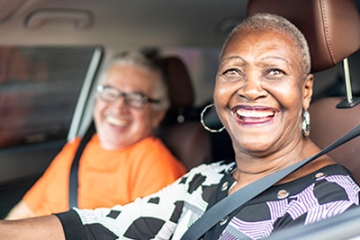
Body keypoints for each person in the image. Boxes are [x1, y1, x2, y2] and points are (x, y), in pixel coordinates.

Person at [0, 13, 359, 240]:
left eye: (274, 71)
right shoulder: (203, 181)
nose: (249, 89)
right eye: (233, 71)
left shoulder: (332, 205)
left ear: (306, 89)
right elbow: (99, 227)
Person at [5, 51, 186, 220]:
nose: (118, 106)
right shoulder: (77, 147)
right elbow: (24, 212)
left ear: (157, 114)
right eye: (110, 93)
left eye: (136, 98)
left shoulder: (154, 162)